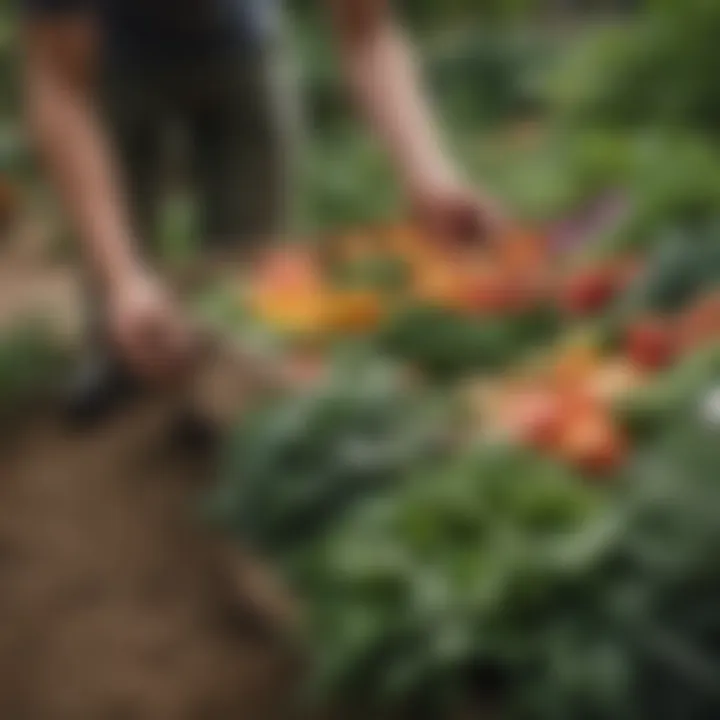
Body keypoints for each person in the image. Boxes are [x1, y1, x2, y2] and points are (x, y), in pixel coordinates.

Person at [22, 0, 505, 424]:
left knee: (253, 270)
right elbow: (63, 92)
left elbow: (370, 34)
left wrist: (432, 178)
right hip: (107, 62)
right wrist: (123, 277)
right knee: (121, 284)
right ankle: (113, 366)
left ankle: (217, 403)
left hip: (242, 52)